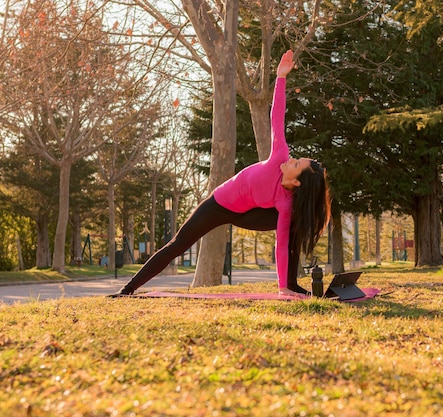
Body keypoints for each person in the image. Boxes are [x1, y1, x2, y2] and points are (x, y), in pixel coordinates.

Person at [111, 50, 331, 297]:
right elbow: (277, 117)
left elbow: (282, 245)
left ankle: (289, 287)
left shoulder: (287, 202)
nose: (291, 159)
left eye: (295, 164)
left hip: (249, 213)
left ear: (296, 182)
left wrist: (280, 287)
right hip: (219, 204)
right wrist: (280, 78)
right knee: (178, 243)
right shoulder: (279, 155)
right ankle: (127, 289)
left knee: (292, 226)